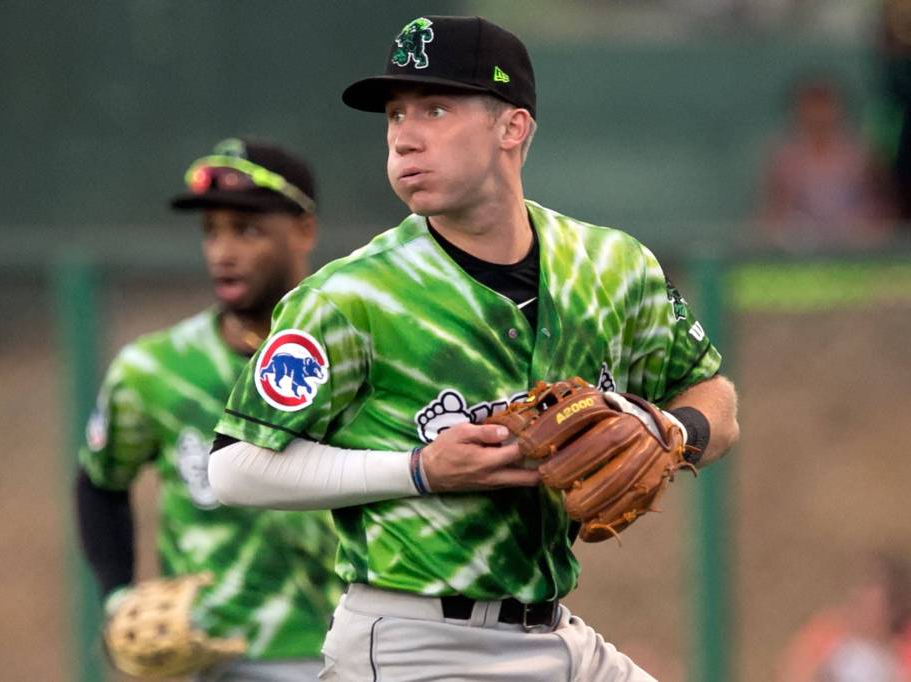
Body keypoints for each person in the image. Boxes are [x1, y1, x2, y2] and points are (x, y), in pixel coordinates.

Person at [208, 16, 740, 681]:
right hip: (415, 642)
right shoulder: (352, 297)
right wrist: (419, 470)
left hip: (555, 635)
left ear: (511, 128)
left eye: (435, 108)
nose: (405, 136)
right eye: (395, 115)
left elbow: (714, 395)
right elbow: (234, 469)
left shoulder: (613, 267)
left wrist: (672, 432)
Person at [75, 137, 342, 681]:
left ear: (304, 230)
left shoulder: (358, 355)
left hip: (357, 645)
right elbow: (98, 482)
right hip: (218, 655)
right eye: (211, 230)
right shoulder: (156, 369)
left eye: (246, 229)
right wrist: (116, 595)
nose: (223, 251)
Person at [758, 75, 894, 249]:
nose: (818, 115)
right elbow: (772, 212)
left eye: (824, 106)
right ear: (799, 110)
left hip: (856, 243)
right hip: (800, 245)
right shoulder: (784, 157)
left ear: (838, 109)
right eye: (812, 107)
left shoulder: (861, 154)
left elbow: (883, 208)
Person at [775, 552, 911, 682]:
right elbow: (794, 673)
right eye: (857, 600)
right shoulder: (824, 635)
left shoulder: (902, 649)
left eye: (866, 602)